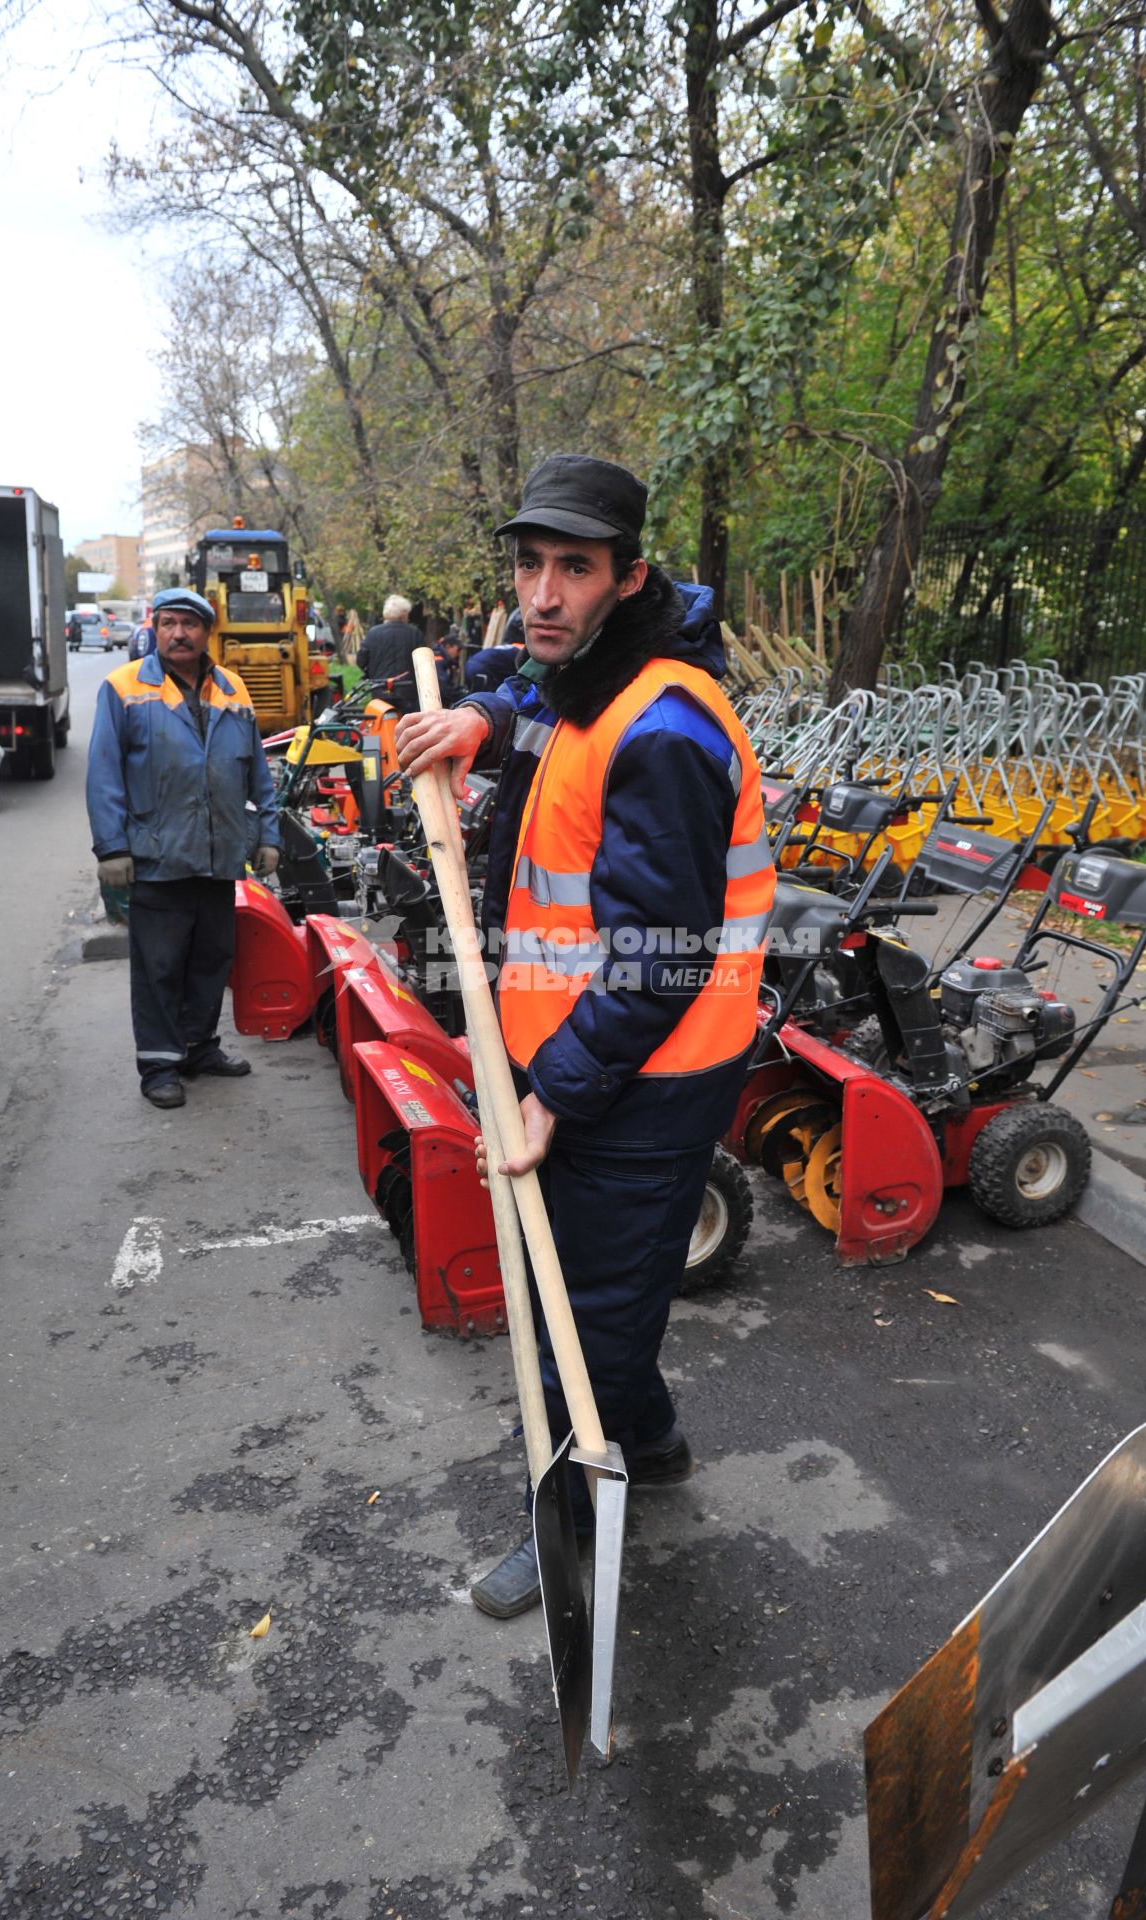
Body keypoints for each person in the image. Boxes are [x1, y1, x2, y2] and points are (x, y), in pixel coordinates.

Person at [396, 454, 775, 1618]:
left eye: (574, 567)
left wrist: (551, 1091)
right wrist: (482, 715)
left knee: (584, 1317)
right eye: (528, 565)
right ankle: (649, 1443)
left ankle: (562, 1523)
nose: (543, 594)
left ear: (628, 578)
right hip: (580, 1061)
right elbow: (543, 692)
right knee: (596, 1290)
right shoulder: (597, 678)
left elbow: (651, 965)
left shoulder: (661, 729)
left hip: (636, 1079)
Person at [86, 586, 281, 1111]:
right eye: (169, 623)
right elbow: (104, 772)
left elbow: (258, 773)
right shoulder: (124, 687)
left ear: (206, 633)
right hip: (156, 853)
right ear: (154, 627)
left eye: (190, 625)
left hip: (218, 855)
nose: (178, 634)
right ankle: (158, 1065)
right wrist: (112, 849)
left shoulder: (232, 689)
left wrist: (268, 835)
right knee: (160, 965)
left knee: (210, 959)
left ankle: (198, 1048)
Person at [356, 593, 426, 708]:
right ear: (404, 615)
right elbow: (423, 663)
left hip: (379, 689)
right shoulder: (415, 634)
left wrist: (371, 673)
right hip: (407, 691)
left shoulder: (373, 633)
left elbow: (361, 660)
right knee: (408, 724)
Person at [432, 627, 465, 705]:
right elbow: (444, 688)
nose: (459, 654)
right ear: (448, 647)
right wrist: (463, 693)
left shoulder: (443, 659)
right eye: (458, 649)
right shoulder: (438, 661)